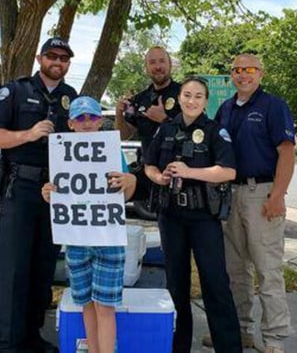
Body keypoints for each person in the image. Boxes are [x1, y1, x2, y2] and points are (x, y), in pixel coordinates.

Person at [0, 37, 78, 353]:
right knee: (14, 266)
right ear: (40, 58)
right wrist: (28, 134)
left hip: (56, 193)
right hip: (20, 188)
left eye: (64, 58)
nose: (58, 62)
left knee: (43, 265)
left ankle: (32, 335)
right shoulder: (15, 90)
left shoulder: (70, 97)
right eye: (52, 56)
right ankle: (9, 340)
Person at [143, 77, 241, 353]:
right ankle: (177, 347)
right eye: (187, 94)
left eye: (198, 96)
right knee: (176, 285)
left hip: (203, 218)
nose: (191, 100)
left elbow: (228, 171)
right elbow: (149, 165)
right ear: (181, 96)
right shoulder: (166, 129)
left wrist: (189, 172)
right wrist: (159, 177)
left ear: (205, 101)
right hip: (171, 216)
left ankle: (229, 347)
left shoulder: (214, 131)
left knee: (215, 284)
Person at [213, 54, 296, 353]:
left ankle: (274, 338)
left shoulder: (273, 106)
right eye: (237, 70)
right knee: (235, 269)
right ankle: (241, 330)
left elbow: (287, 152)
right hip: (229, 195)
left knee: (267, 269)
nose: (242, 75)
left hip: (262, 193)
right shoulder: (225, 108)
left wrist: (278, 195)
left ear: (261, 73)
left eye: (249, 69)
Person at [41, 96, 137, 353]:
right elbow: (58, 192)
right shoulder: (61, 153)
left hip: (108, 239)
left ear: (100, 122)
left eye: (92, 117)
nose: (86, 123)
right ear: (70, 123)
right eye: (80, 118)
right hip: (77, 239)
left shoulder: (112, 151)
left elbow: (126, 193)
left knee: (105, 307)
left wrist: (129, 181)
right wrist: (48, 192)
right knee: (86, 304)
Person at [115, 46, 181, 213]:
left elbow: (196, 133)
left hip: (179, 173)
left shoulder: (184, 94)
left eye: (162, 61)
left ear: (170, 64)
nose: (158, 66)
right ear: (146, 68)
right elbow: (124, 135)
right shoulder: (140, 100)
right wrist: (118, 113)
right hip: (149, 171)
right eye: (152, 62)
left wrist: (164, 119)